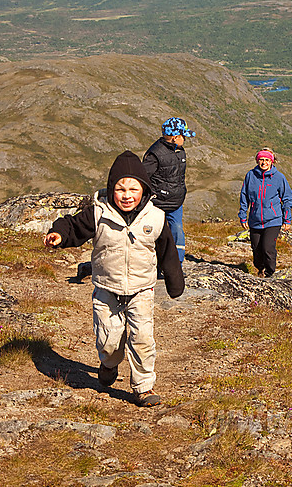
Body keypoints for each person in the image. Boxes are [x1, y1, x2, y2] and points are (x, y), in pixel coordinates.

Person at [44, 150, 184, 407]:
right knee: (109, 340)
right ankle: (108, 364)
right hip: (107, 289)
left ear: (144, 189)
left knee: (142, 338)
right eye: (120, 189)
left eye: (134, 188)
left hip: (142, 290)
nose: (127, 195)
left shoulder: (155, 217)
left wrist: (175, 283)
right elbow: (72, 226)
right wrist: (59, 235)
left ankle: (143, 387)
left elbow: (167, 251)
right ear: (111, 188)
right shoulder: (99, 214)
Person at [143, 117, 193, 263]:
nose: (185, 139)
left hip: (175, 202)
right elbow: (143, 176)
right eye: (184, 136)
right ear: (175, 137)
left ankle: (177, 264)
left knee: (177, 230)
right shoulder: (155, 154)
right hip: (157, 202)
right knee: (155, 233)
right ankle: (155, 264)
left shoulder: (180, 151)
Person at [239, 147, 292, 278]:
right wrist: (242, 216)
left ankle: (269, 273)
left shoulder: (279, 177)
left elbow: (287, 198)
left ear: (272, 161)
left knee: (268, 248)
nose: (264, 163)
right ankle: (260, 269)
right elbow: (244, 196)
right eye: (261, 160)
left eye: (267, 160)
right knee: (257, 249)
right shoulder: (250, 176)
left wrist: (287, 219)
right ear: (257, 161)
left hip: (273, 220)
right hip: (254, 219)